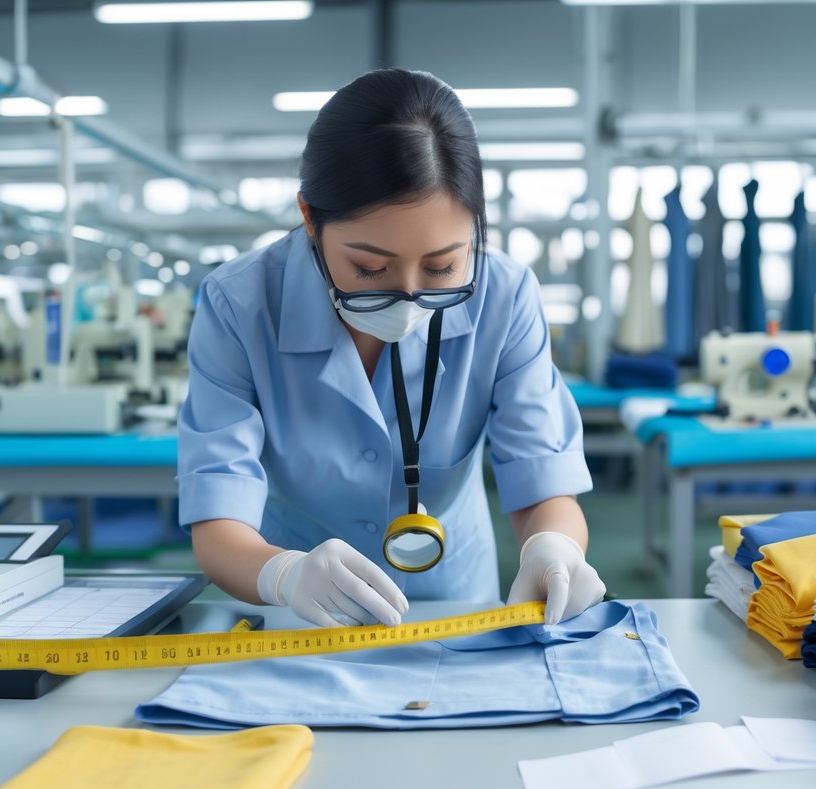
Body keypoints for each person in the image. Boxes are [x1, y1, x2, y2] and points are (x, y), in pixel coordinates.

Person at [179, 68, 604, 628]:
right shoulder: (239, 305)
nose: (408, 294)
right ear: (310, 219)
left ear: (475, 224)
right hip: (298, 610)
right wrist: (282, 574)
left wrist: (554, 548)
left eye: (442, 265)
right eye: (369, 267)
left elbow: (542, 479)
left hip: (457, 595)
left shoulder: (504, 295)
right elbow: (217, 521)